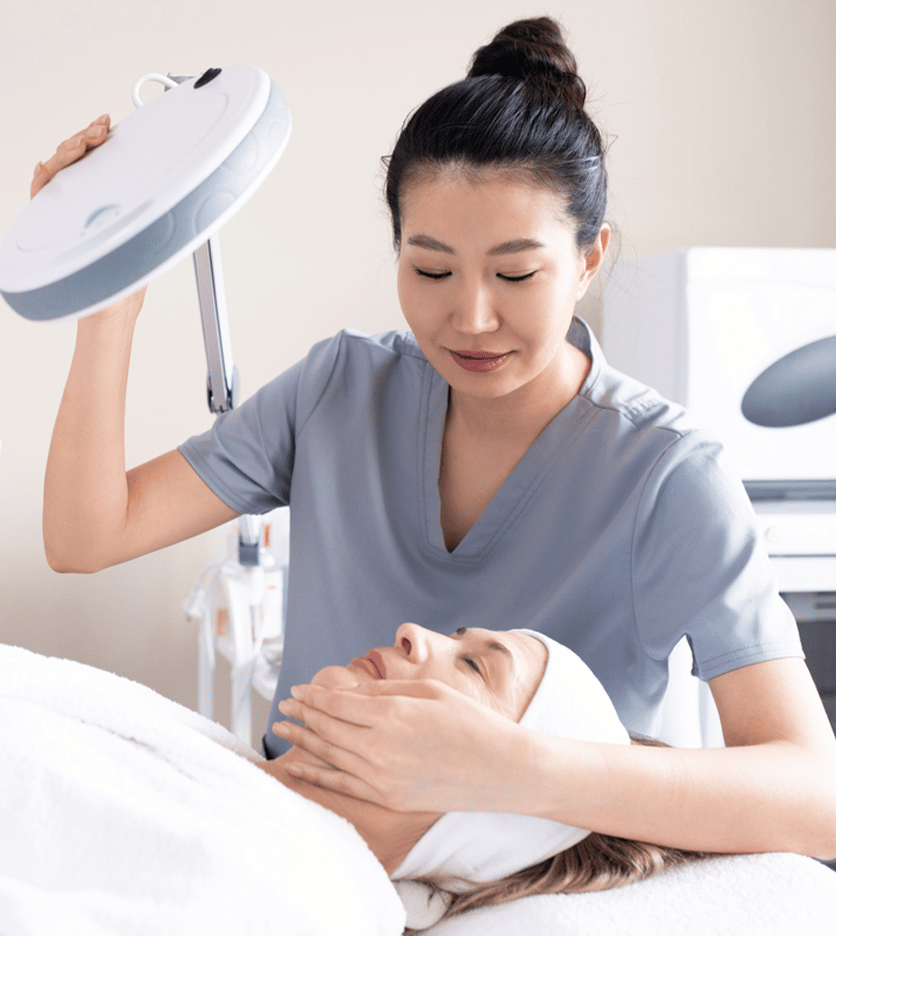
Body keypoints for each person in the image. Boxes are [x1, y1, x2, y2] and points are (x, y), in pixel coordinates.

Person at [38, 18, 835, 863]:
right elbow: (87, 535)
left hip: (503, 885)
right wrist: (107, 297)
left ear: (589, 258)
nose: (471, 318)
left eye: (517, 273)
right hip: (294, 841)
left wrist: (514, 769)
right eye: (430, 269)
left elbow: (815, 794)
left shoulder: (664, 476)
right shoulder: (339, 390)